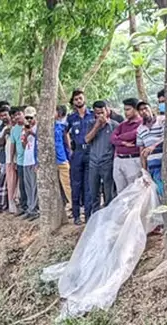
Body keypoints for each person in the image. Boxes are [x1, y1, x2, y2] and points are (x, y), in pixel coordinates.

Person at [65, 89, 95, 225]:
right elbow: (64, 132)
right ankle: (76, 215)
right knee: (76, 184)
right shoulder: (71, 118)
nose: (79, 101)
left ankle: (88, 215)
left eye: (80, 98)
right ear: (73, 102)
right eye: (76, 99)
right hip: (77, 153)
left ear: (84, 99)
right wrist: (69, 148)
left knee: (88, 185)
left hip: (90, 152)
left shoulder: (92, 115)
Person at [86, 101, 119, 213]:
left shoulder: (114, 125)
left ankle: (109, 215)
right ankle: (94, 216)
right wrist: (96, 126)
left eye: (102, 112)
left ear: (107, 111)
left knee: (108, 192)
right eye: (97, 113)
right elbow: (87, 139)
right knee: (94, 191)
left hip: (108, 163)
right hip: (93, 162)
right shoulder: (91, 124)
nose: (100, 115)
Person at [110, 98, 144, 195]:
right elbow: (112, 138)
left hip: (133, 159)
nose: (126, 112)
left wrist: (119, 138)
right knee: (121, 193)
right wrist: (124, 143)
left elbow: (133, 135)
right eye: (124, 109)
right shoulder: (122, 125)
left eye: (128, 109)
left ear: (136, 109)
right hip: (119, 159)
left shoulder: (142, 123)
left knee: (133, 192)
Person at [137, 100, 165, 196]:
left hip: (164, 161)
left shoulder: (161, 120)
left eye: (145, 108)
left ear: (150, 108)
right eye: (140, 110)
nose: (143, 111)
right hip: (152, 165)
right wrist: (144, 172)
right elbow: (141, 151)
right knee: (158, 191)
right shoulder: (140, 129)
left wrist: (154, 146)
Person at [20, 106, 40, 221]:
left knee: (34, 186)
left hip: (34, 160)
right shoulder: (24, 128)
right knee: (28, 186)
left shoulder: (38, 128)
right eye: (27, 118)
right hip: (26, 160)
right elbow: (23, 145)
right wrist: (26, 135)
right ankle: (29, 208)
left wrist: (32, 133)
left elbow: (40, 140)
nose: (29, 120)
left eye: (30, 118)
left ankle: (35, 209)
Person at [9, 107, 28, 216]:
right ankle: (24, 207)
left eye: (19, 114)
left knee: (31, 184)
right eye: (15, 115)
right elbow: (13, 145)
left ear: (23, 114)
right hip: (20, 160)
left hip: (30, 160)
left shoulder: (30, 125)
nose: (17, 117)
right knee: (22, 185)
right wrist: (12, 160)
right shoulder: (14, 129)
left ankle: (33, 206)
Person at [0, 106, 13, 211]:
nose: (4, 117)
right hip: (3, 158)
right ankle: (3, 204)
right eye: (1, 115)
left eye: (5, 114)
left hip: (14, 159)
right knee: (3, 182)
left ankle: (13, 204)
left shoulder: (15, 126)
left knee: (13, 182)